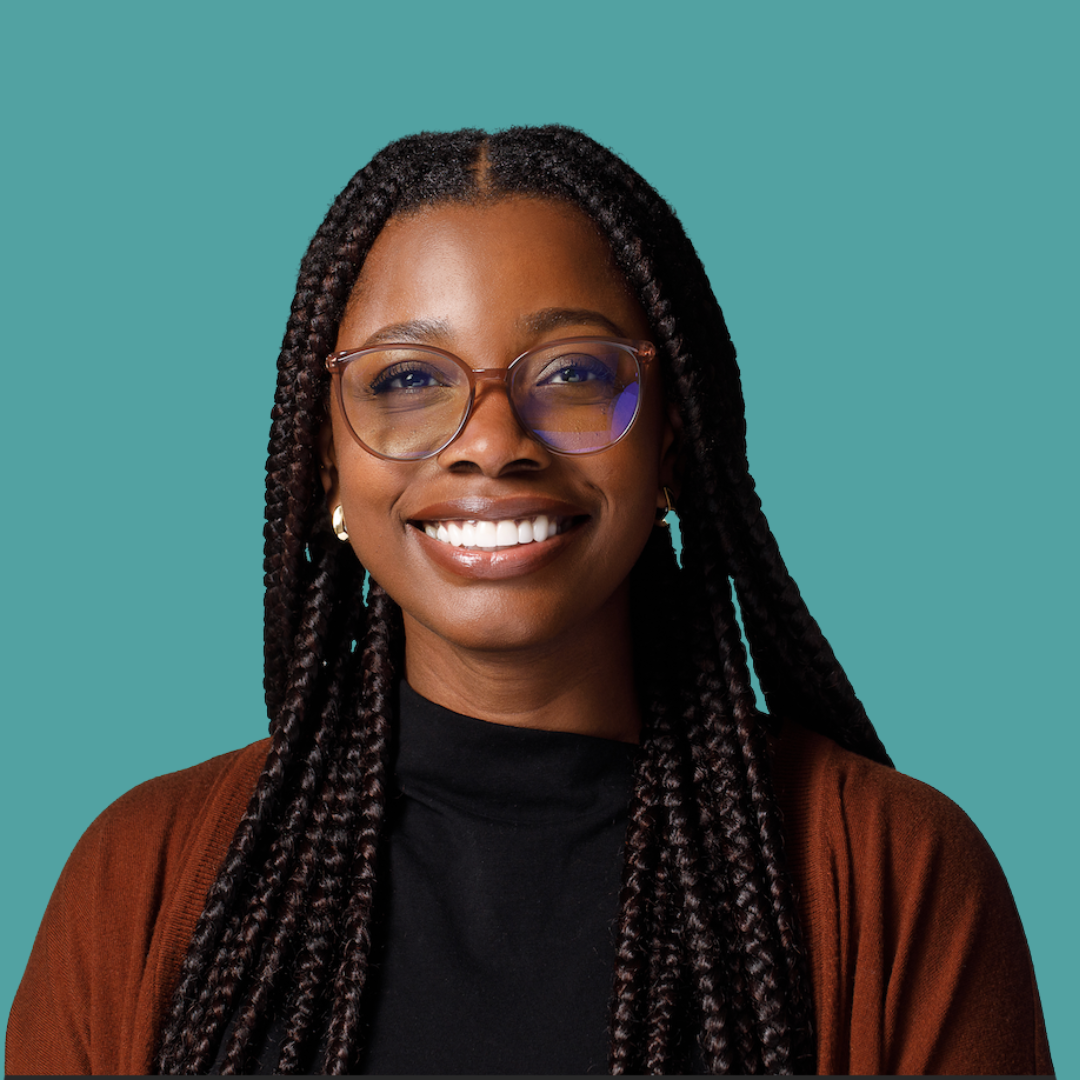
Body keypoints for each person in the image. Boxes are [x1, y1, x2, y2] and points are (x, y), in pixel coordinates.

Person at [7, 126, 1053, 1076]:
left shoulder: (892, 873)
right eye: (409, 381)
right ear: (324, 464)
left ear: (674, 445)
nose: (494, 441)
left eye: (573, 371)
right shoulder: (142, 880)